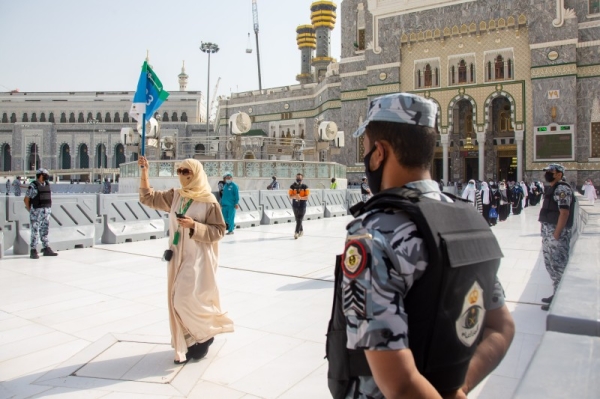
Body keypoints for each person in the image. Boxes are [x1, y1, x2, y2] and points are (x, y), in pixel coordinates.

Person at [328, 93, 514, 399]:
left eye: (366, 149)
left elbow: (399, 384)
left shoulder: (375, 233)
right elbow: (501, 327)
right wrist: (457, 388)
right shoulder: (468, 220)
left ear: (379, 153)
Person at [138, 156, 234, 363]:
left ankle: (205, 334)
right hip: (177, 255)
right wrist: (145, 173)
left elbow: (219, 231)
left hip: (199, 258)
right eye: (179, 171)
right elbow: (147, 197)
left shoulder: (209, 201)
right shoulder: (175, 196)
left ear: (196, 174)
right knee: (177, 299)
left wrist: (193, 226)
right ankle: (191, 340)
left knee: (184, 299)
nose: (182, 176)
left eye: (186, 172)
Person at [538, 164, 575, 311]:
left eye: (550, 172)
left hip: (557, 236)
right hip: (549, 236)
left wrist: (557, 233)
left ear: (559, 174)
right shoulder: (553, 188)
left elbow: (564, 213)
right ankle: (556, 295)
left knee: (559, 267)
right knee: (551, 265)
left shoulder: (562, 189)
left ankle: (562, 301)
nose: (547, 174)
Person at [23, 169, 58, 259]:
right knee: (35, 232)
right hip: (36, 212)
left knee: (45, 230)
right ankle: (33, 250)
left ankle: (46, 248)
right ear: (41, 175)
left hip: (46, 212)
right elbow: (26, 199)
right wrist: (31, 210)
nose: (47, 176)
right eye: (46, 174)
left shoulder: (47, 184)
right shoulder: (33, 186)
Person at [288, 173, 309, 239]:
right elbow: (290, 196)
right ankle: (301, 230)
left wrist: (300, 198)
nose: (298, 179)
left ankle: (296, 232)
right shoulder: (292, 186)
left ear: (302, 178)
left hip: (302, 205)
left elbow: (307, 197)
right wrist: (295, 196)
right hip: (295, 205)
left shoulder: (305, 187)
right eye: (297, 177)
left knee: (300, 218)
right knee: (297, 219)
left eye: (300, 178)